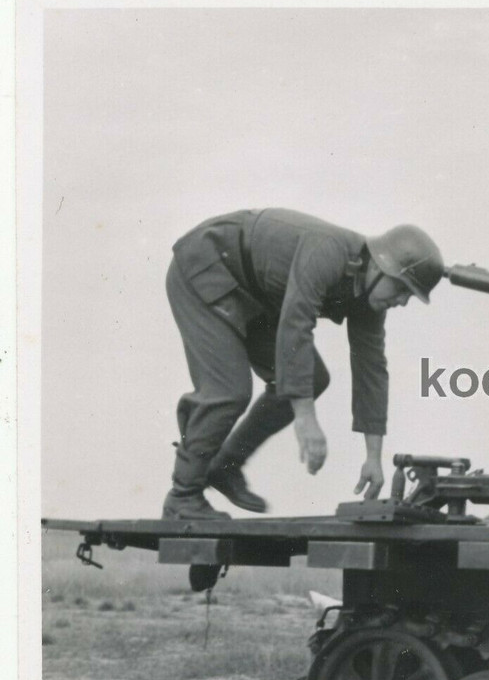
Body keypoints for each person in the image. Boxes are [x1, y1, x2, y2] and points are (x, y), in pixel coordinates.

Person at [163, 209, 443, 521]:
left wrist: (373, 458)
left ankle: (225, 467)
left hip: (255, 297)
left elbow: (372, 370)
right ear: (382, 265)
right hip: (207, 267)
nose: (403, 301)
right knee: (228, 390)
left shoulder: (369, 296)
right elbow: (296, 323)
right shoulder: (328, 252)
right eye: (402, 288)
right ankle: (182, 496)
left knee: (312, 379)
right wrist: (306, 420)